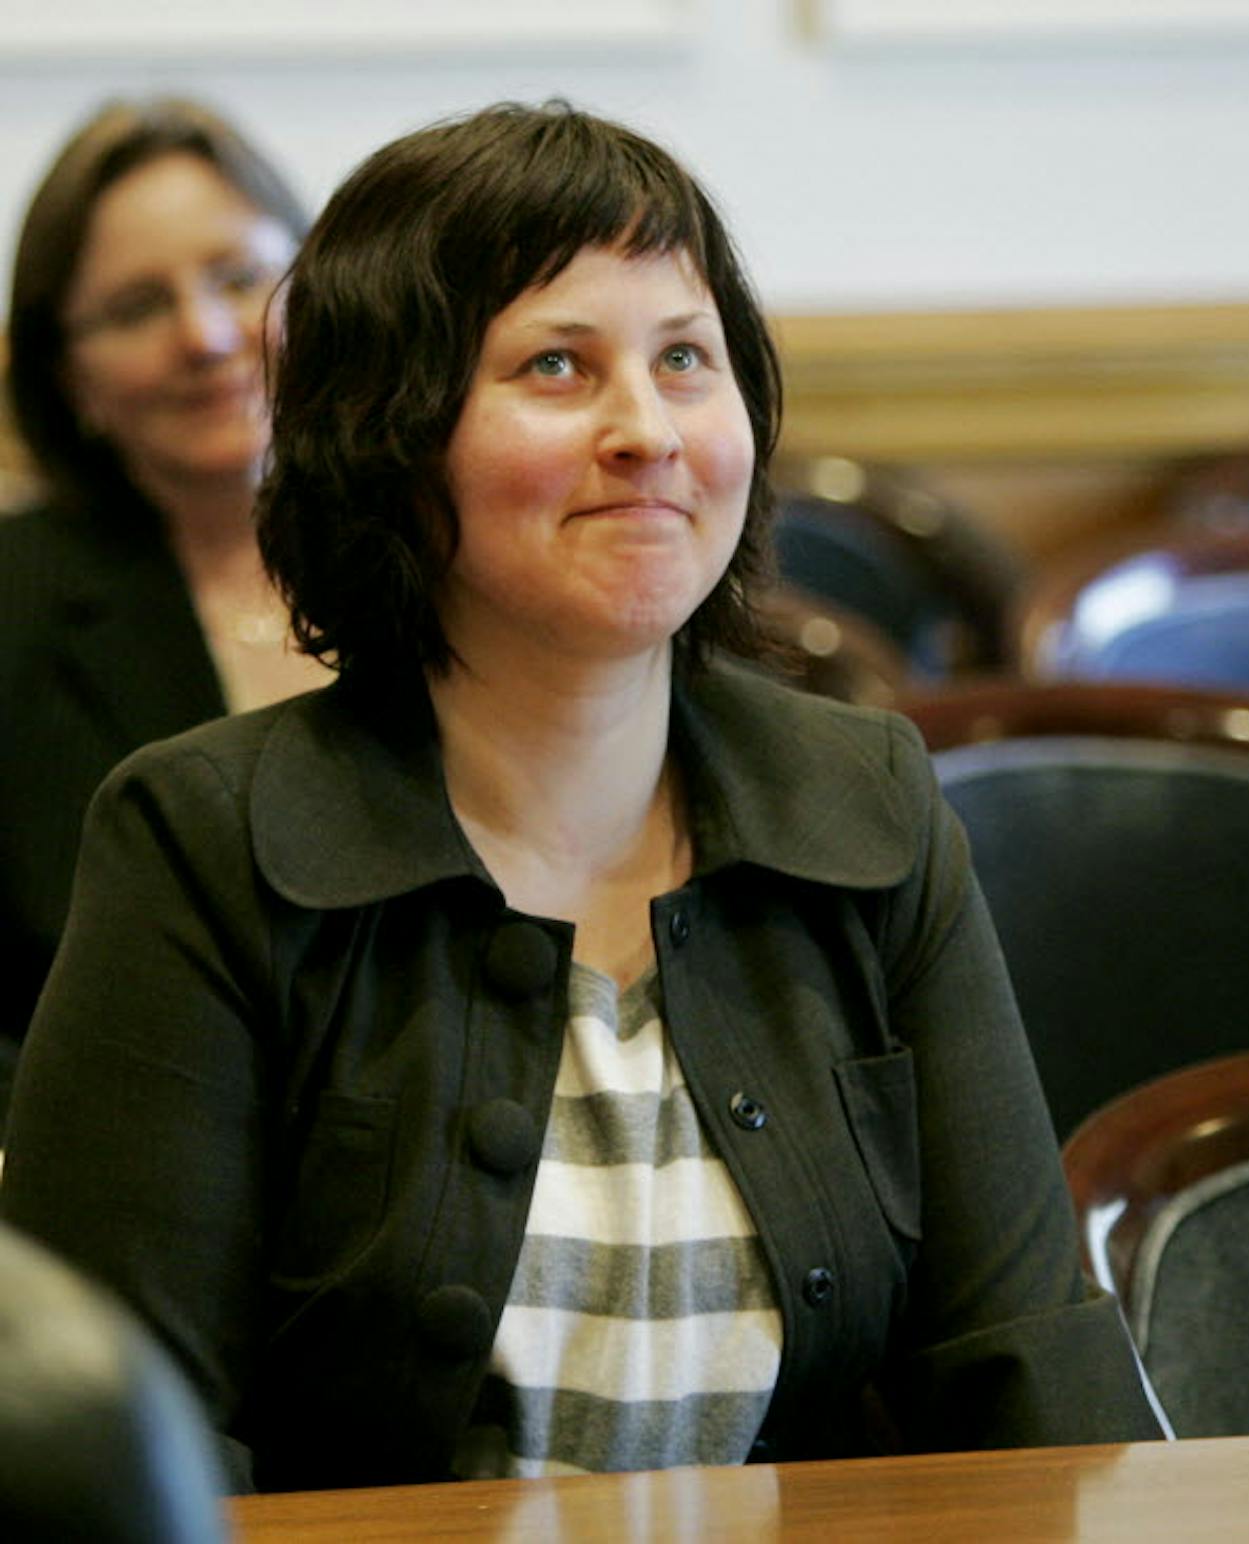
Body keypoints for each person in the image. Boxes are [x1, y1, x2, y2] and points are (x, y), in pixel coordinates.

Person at [0, 102, 1161, 1490]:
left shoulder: (867, 802)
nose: (647, 430)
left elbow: (1028, 1368)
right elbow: (109, 1457)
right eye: (557, 365)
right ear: (389, 434)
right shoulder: (201, 838)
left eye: (685, 359)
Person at [0, 99, 325, 1133]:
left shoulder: (458, 561)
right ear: (71, 377)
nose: (206, 336)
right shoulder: (13, 604)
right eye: (138, 307)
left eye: (238, 276)